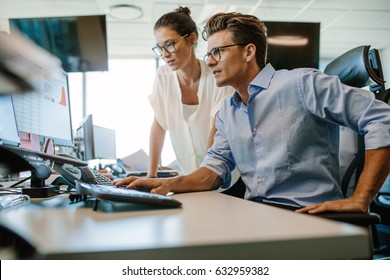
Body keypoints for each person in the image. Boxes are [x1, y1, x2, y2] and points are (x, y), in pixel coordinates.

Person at [116, 12, 390, 214]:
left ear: (248, 52)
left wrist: (361, 198)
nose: (209, 60)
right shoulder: (227, 111)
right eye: (208, 53)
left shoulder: (303, 83)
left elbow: (382, 118)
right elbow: (212, 172)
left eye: (217, 52)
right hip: (257, 215)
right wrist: (159, 184)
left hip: (309, 217)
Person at [146, 6, 235, 179]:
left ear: (192, 39)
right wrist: (151, 175)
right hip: (189, 174)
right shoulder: (163, 77)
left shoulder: (217, 77)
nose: (164, 54)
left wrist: (203, 177)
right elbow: (159, 124)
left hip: (222, 177)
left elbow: (218, 130)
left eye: (170, 44)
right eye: (159, 47)